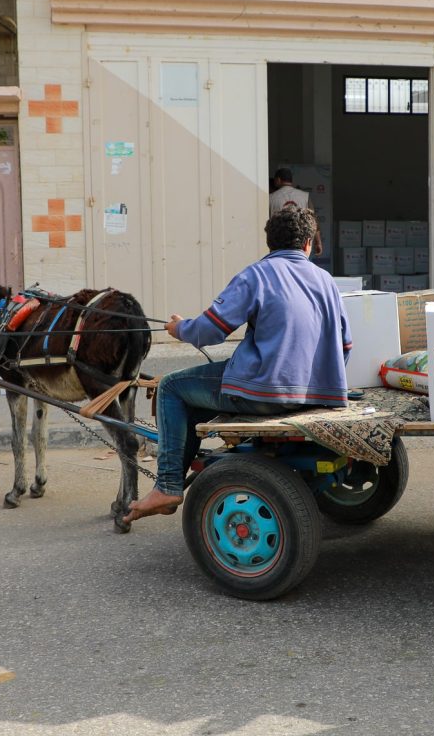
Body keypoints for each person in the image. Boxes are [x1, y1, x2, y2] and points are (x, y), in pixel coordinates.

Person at [125, 207, 351, 522]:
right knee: (197, 394)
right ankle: (175, 475)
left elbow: (210, 330)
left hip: (264, 393)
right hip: (318, 396)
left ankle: (167, 486)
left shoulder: (256, 275)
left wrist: (180, 328)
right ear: (308, 244)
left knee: (171, 387)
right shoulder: (326, 281)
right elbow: (345, 346)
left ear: (270, 242)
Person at [269, 167, 323, 255]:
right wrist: (318, 242)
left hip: (279, 243)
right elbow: (313, 219)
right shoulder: (305, 197)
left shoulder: (270, 198)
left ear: (278, 180)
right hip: (301, 242)